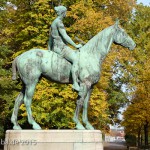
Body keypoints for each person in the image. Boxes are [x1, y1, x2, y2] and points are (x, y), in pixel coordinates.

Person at [48, 6, 82, 91]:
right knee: (76, 59)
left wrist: (49, 49)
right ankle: (75, 84)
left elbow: (50, 39)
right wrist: (76, 45)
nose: (66, 13)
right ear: (63, 13)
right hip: (61, 48)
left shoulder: (53, 22)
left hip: (55, 47)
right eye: (65, 12)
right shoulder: (59, 22)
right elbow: (65, 36)